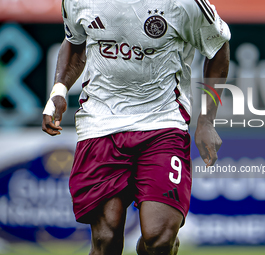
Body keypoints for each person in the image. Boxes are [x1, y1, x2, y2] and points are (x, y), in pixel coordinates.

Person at [42, 0, 230, 254]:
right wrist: (59, 90)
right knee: (106, 238)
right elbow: (75, 42)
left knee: (159, 239)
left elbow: (218, 47)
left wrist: (206, 121)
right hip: (101, 124)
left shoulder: (184, 4)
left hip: (163, 123)